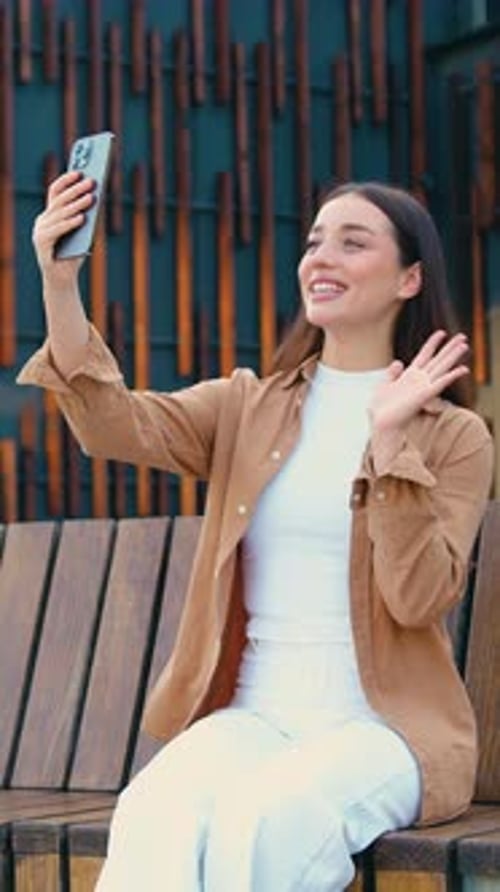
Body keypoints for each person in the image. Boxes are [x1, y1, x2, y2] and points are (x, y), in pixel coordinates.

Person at [18, 174, 494, 892]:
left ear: (410, 278)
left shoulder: (454, 436)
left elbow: (418, 598)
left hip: (384, 732)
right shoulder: (249, 406)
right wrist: (60, 286)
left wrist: (391, 444)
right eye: (313, 242)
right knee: (153, 812)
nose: (320, 257)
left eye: (353, 242)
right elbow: (113, 426)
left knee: (269, 822)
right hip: (256, 714)